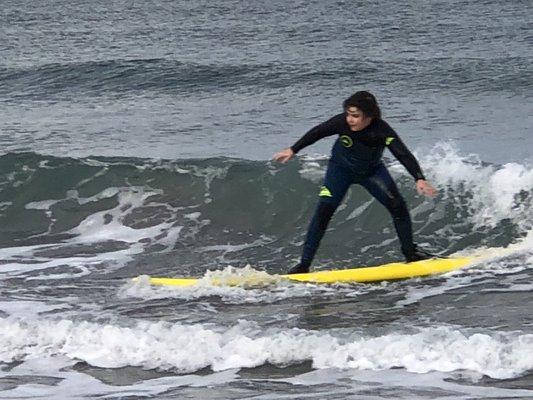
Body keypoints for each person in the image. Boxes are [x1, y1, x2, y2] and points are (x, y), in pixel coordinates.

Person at [272, 91, 438, 274]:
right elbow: (318, 132)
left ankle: (410, 253)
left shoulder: (381, 130)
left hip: (371, 172)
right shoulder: (341, 122)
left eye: (356, 116)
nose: (350, 120)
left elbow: (402, 153)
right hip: (340, 171)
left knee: (397, 205)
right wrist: (293, 149)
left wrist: (419, 178)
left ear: (370, 116)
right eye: (348, 114)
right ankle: (303, 265)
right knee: (324, 211)